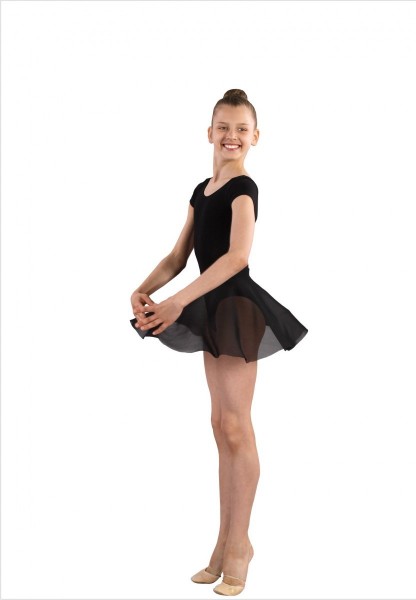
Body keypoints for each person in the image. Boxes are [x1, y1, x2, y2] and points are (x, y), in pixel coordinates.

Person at [129, 89, 308, 596]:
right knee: (220, 425)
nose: (232, 136)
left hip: (236, 309)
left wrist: (176, 302)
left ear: (255, 138)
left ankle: (239, 545)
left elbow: (236, 258)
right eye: (223, 127)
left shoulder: (244, 188)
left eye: (241, 129)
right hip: (211, 306)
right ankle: (223, 542)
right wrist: (144, 289)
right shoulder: (202, 190)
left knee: (235, 426)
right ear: (209, 133)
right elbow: (178, 256)